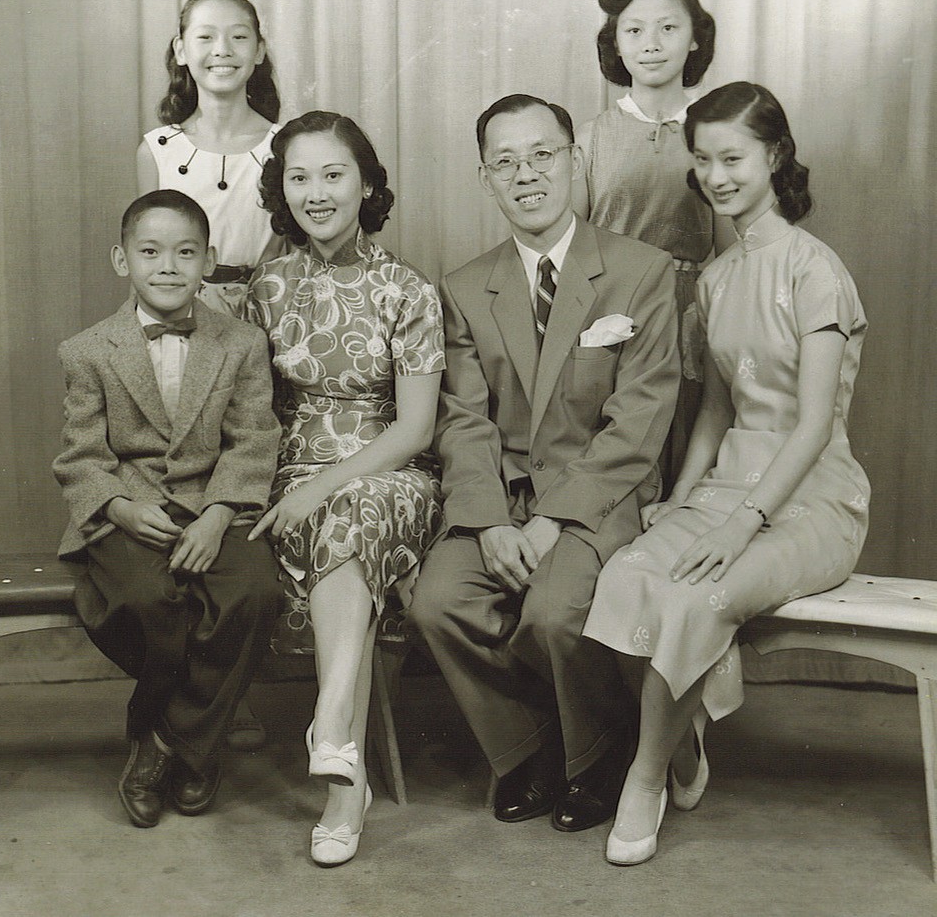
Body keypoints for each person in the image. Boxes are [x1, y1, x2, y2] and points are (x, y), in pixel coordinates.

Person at [583, 82, 870, 866]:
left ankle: (644, 779)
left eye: (733, 158)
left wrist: (745, 522)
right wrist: (680, 499)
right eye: (703, 159)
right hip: (724, 486)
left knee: (694, 593)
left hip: (813, 499)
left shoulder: (816, 272)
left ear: (775, 156)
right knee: (622, 578)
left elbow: (812, 424)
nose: (716, 176)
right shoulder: (712, 279)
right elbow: (714, 409)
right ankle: (682, 745)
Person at [409, 94, 680, 836]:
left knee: (556, 614)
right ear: (484, 179)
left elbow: (639, 422)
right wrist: (490, 520)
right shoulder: (467, 287)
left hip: (597, 495)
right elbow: (462, 419)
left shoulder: (643, 272)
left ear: (575, 161)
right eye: (505, 162)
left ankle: (598, 756)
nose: (526, 175)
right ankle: (526, 749)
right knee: (438, 603)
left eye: (542, 156)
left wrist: (557, 518)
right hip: (502, 498)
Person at [246, 111, 445, 866]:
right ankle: (340, 762)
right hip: (288, 475)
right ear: (282, 188)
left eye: (334, 174)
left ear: (366, 183)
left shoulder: (408, 290)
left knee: (353, 512)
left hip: (389, 474)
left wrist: (320, 486)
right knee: (340, 527)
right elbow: (251, 410)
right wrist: (289, 489)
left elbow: (417, 429)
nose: (316, 192)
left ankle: (335, 746)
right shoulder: (266, 287)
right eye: (299, 176)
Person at [52, 189, 282, 829]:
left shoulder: (240, 342)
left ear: (209, 260)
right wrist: (119, 507)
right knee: (152, 604)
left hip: (215, 505)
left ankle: (162, 742)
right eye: (149, 252)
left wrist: (217, 515)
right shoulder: (88, 350)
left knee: (256, 594)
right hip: (131, 510)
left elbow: (254, 439)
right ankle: (200, 739)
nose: (168, 266)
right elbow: (80, 457)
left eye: (186, 253)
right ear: (122, 260)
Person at [574, 0, 723, 487]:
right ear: (614, 44)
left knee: (682, 440)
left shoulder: (717, 131)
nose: (651, 44)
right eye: (634, 30)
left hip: (690, 312)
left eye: (668, 28)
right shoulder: (588, 139)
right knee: (609, 451)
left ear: (694, 39)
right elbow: (571, 246)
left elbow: (729, 252)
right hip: (607, 310)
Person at [138, 0, 283, 319]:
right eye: (205, 37)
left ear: (259, 51)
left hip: (270, 314)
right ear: (181, 50)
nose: (222, 50)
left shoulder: (283, 147)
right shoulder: (156, 151)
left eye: (239, 37)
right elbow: (146, 261)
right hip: (181, 314)